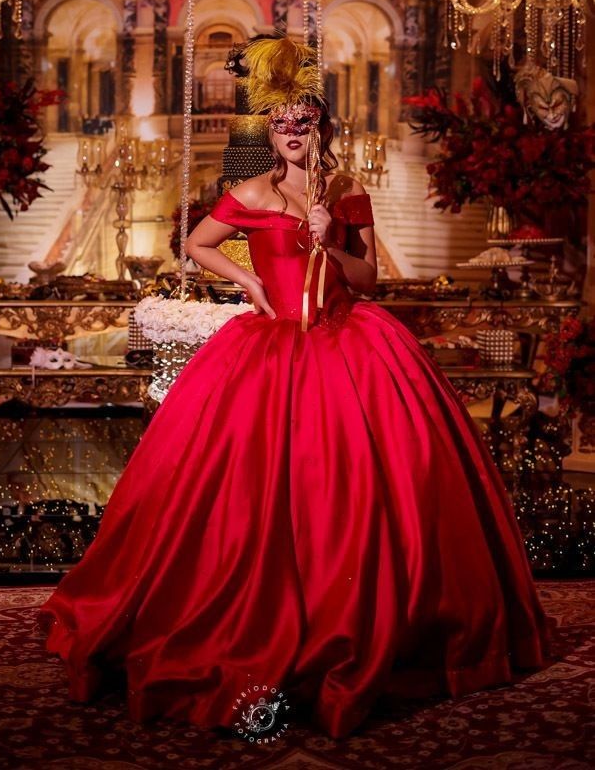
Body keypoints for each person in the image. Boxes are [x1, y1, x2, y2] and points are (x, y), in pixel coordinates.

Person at [38, 36, 555, 740]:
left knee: (364, 483)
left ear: (320, 126)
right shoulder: (249, 192)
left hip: (352, 343)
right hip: (269, 347)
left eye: (302, 122)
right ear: (268, 131)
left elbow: (369, 278)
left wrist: (330, 238)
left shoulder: (345, 191)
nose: (290, 133)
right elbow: (197, 243)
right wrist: (249, 281)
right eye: (279, 125)